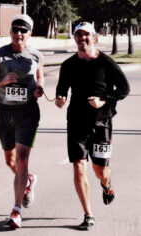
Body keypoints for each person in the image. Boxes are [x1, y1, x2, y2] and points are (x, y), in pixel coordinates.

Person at [55, 22, 130, 231]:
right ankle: (88, 214)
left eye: (86, 35)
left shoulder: (106, 62)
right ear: (75, 39)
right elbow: (62, 90)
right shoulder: (68, 65)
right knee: (79, 166)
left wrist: (104, 99)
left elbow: (124, 89)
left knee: (100, 170)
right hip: (76, 122)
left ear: (94, 38)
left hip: (101, 122)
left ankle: (106, 185)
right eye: (78, 35)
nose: (82, 38)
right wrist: (60, 99)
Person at [0, 14, 44, 229]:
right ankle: (28, 181)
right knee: (11, 161)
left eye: (23, 30)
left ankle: (16, 211)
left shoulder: (36, 55)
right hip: (4, 113)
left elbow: (39, 79)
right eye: (15, 29)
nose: (19, 33)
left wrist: (38, 90)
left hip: (28, 113)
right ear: (10, 32)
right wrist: (3, 81)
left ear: (30, 33)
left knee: (22, 160)